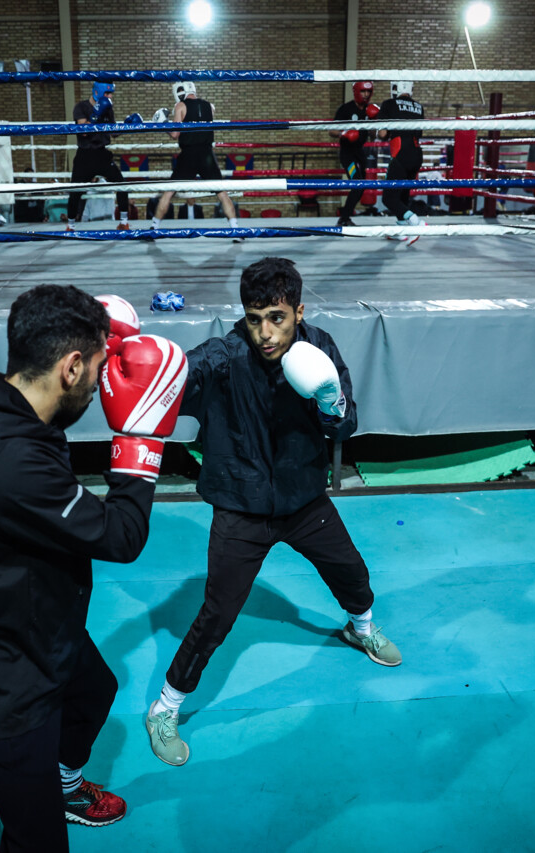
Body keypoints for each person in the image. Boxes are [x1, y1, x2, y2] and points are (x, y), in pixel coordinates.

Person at [0, 284, 186, 851]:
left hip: (32, 620)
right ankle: (46, 804)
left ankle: (62, 785)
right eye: (97, 371)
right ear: (70, 366)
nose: (102, 385)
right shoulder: (12, 464)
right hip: (6, 678)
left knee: (94, 693)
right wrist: (139, 440)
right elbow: (120, 536)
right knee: (36, 843)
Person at [143, 256, 402, 767]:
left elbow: (345, 427)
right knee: (217, 615)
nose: (265, 332)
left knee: (352, 571)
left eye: (277, 318)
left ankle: (361, 626)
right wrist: (143, 363)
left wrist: (332, 404)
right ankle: (164, 708)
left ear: (298, 311)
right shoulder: (224, 357)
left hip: (303, 498)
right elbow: (180, 373)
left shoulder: (319, 347)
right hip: (241, 508)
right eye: (254, 317)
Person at [151, 81, 243, 239]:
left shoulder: (180, 106)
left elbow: (174, 134)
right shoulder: (210, 107)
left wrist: (163, 123)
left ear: (182, 92)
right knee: (221, 193)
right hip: (207, 154)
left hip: (188, 155)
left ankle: (154, 228)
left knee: (168, 192)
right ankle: (235, 229)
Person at [68, 81, 131, 230]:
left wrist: (127, 125)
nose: (109, 97)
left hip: (102, 154)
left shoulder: (108, 108)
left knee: (121, 184)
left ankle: (123, 222)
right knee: (75, 190)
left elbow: (113, 132)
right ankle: (70, 225)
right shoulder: (81, 107)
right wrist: (96, 113)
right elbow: (83, 131)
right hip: (85, 155)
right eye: (107, 94)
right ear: (97, 92)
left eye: (111, 94)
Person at [376, 80, 427, 246]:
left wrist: (375, 122)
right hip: (417, 153)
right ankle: (401, 230)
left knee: (388, 198)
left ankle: (416, 223)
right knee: (402, 195)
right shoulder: (418, 106)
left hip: (400, 151)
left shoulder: (389, 103)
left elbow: (382, 134)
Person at [330, 81, 380, 226]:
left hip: (360, 153)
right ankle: (344, 217)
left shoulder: (369, 110)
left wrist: (373, 120)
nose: (366, 95)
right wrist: (345, 133)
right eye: (363, 92)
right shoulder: (346, 109)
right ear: (357, 92)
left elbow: (372, 136)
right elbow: (331, 130)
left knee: (361, 186)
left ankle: (345, 216)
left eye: (368, 92)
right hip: (347, 154)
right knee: (356, 181)